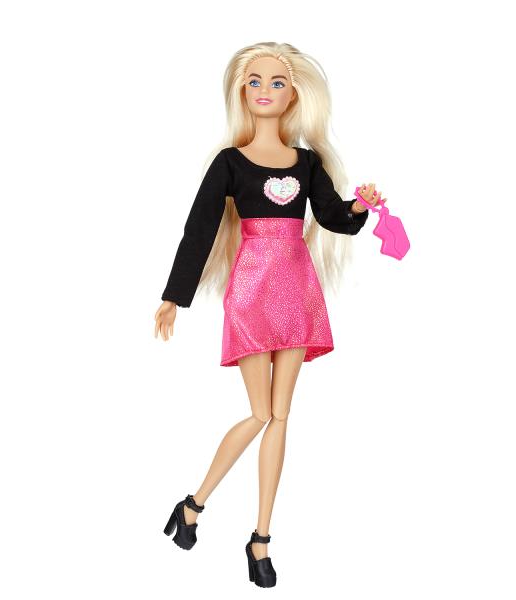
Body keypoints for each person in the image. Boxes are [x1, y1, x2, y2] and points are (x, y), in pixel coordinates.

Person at [154, 42, 385, 588]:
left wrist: (358, 206)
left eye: (277, 82)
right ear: (241, 92)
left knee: (282, 416)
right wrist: (175, 296)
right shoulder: (230, 163)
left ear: (294, 95)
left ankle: (260, 539)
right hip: (253, 293)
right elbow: (200, 229)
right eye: (254, 81)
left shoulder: (307, 163)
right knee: (260, 413)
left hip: (298, 291)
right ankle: (193, 504)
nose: (264, 90)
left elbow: (331, 216)